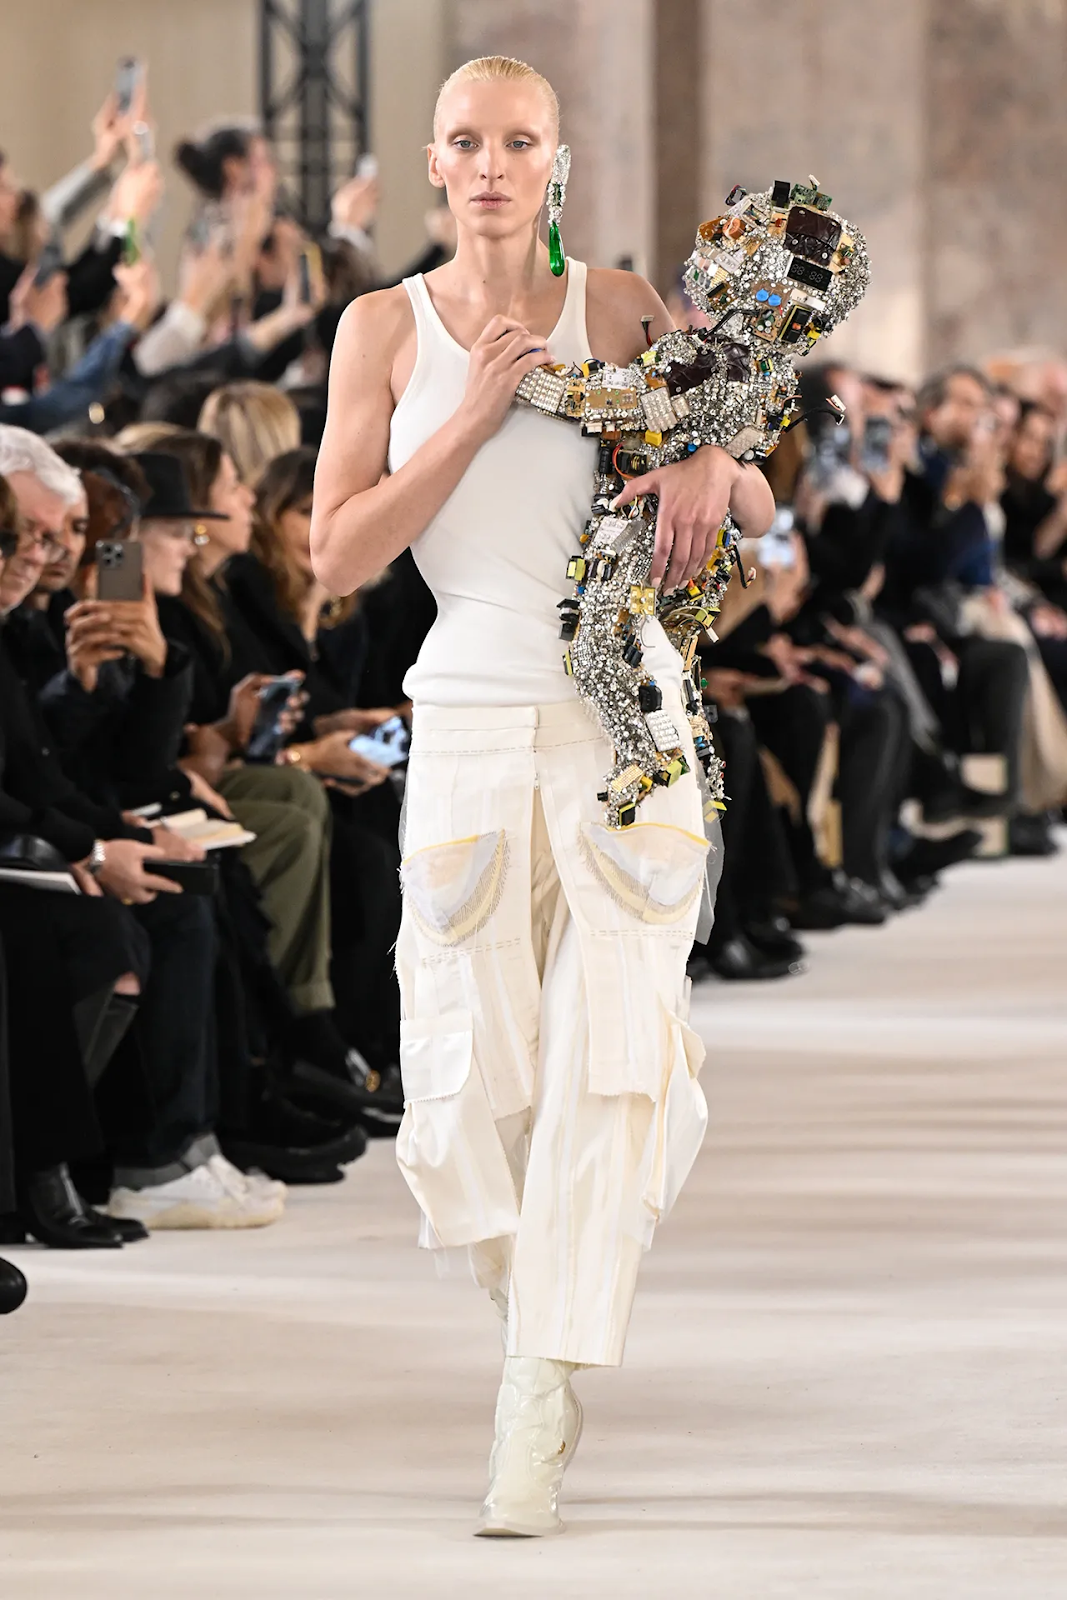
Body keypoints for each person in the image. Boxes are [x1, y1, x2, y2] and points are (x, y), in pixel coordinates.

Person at [310, 55, 775, 1535]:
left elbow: (758, 494)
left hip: (623, 719)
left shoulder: (629, 306)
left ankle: (530, 1390)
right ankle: (542, 1322)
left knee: (611, 1054)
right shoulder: (381, 327)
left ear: (554, 162)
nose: (492, 163)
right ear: (435, 165)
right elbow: (332, 558)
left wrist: (707, 450)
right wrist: (469, 417)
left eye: (519, 140)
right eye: (466, 141)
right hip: (461, 716)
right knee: (466, 1088)